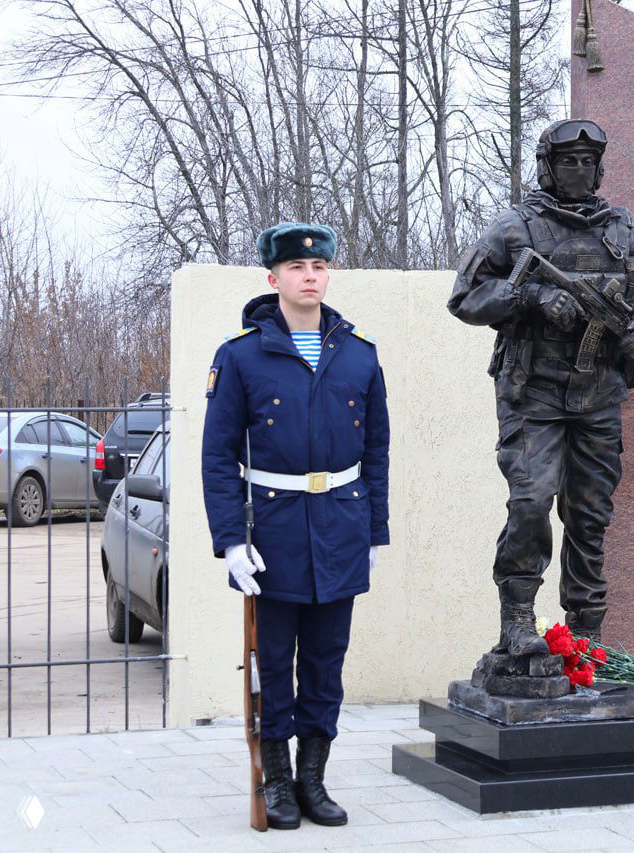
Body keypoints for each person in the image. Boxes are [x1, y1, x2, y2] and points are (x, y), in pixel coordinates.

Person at [448, 118, 634, 653]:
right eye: (567, 161)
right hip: (534, 394)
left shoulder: (628, 232)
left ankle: (586, 631)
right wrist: (528, 299)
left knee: (590, 512)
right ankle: (519, 621)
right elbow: (464, 297)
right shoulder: (515, 230)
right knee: (530, 501)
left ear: (599, 169)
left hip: (599, 396)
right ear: (547, 168)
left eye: (586, 162)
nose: (578, 171)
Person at [201, 223, 390, 829]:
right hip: (274, 535)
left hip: (340, 526)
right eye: (297, 269)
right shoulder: (241, 355)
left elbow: (378, 453)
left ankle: (313, 780)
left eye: (320, 267)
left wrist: (373, 532)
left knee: (326, 663)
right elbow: (217, 456)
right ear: (273, 278)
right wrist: (231, 541)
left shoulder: (358, 352)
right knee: (274, 662)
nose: (311, 276)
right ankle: (277, 782)